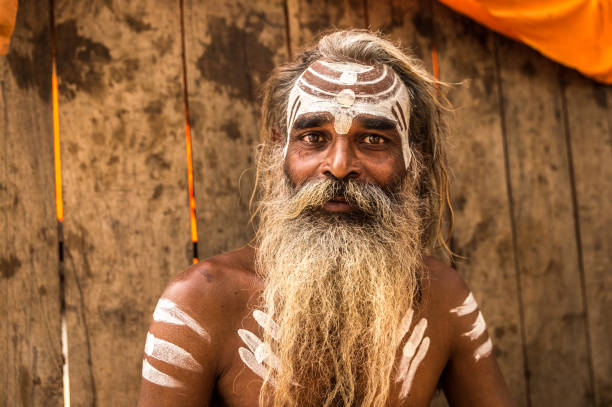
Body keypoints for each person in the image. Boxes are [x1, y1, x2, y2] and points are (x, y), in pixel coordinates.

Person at [137, 30, 515, 407]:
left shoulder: (443, 299)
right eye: (314, 137)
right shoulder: (201, 303)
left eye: (373, 140)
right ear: (278, 152)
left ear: (414, 160)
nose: (338, 166)